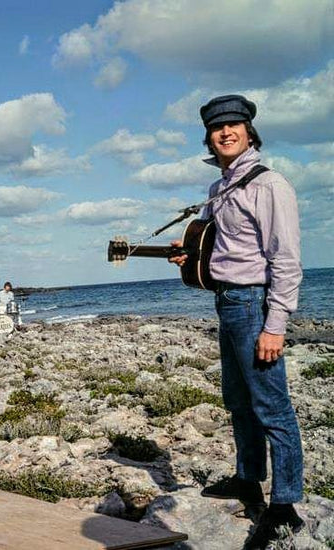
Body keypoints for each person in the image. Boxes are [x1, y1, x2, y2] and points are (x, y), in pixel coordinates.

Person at [169, 95, 304, 549]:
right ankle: (248, 479)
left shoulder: (270, 185)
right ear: (208, 137)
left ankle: (285, 506)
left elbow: (285, 261)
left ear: (249, 132)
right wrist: (187, 255)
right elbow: (212, 248)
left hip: (255, 305)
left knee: (272, 405)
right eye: (217, 127)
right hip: (226, 304)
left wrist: (276, 324)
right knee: (238, 401)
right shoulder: (218, 190)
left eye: (235, 125)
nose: (226, 132)